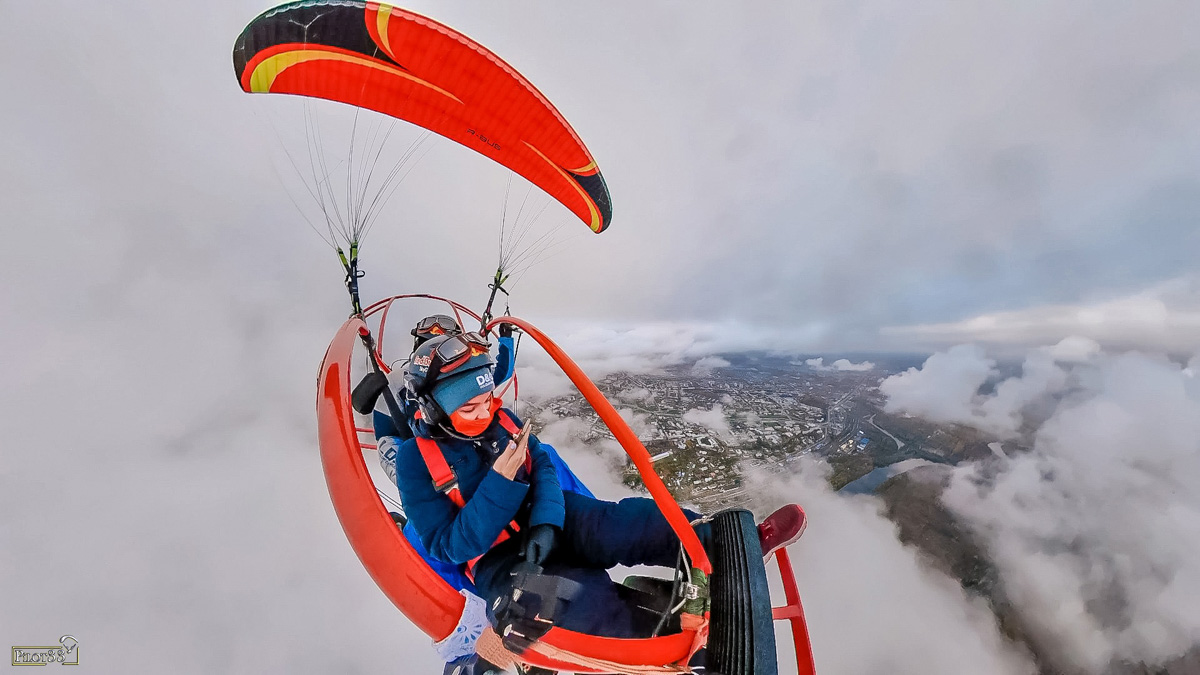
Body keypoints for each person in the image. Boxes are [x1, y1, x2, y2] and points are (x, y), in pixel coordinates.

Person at [390, 332, 808, 643]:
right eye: (469, 407)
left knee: (631, 521)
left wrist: (547, 524)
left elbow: (546, 469)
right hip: (498, 560)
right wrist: (501, 481)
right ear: (433, 406)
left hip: (550, 517)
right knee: (574, 601)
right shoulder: (415, 460)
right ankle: (674, 643)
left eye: (488, 401)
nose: (485, 413)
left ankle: (733, 545)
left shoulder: (502, 420)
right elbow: (448, 547)